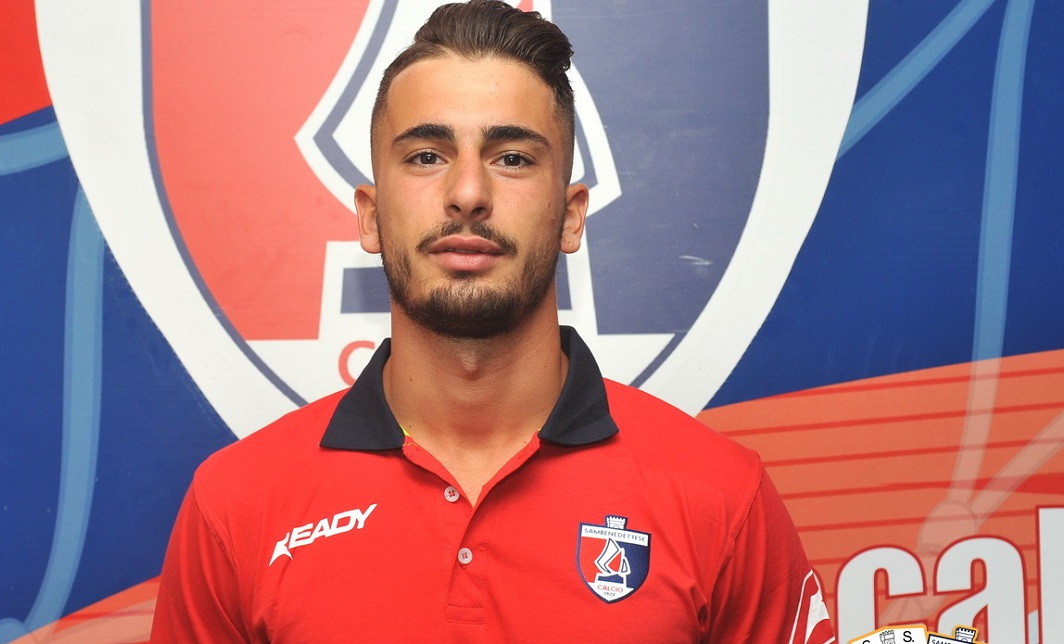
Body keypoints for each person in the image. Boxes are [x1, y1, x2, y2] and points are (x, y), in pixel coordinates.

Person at [151, 1, 835, 642]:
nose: (469, 194)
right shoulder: (237, 507)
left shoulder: (721, 497)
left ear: (571, 216)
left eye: (512, 158)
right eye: (426, 156)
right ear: (370, 216)